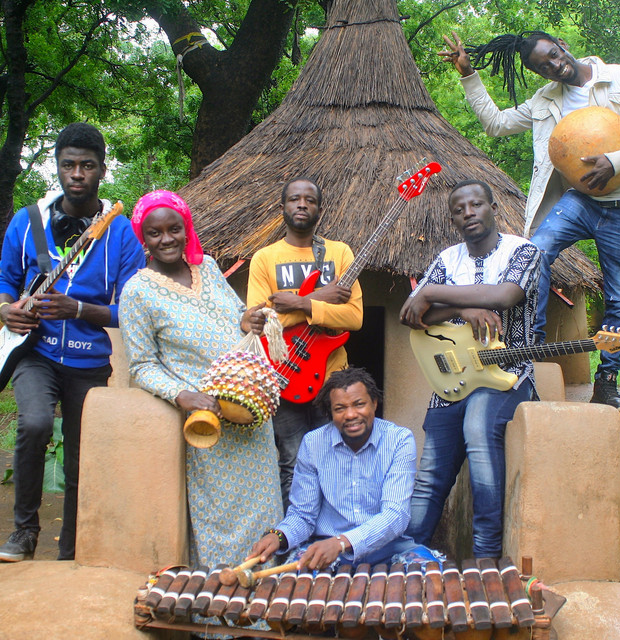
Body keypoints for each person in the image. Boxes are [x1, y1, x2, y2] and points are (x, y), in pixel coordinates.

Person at [439, 30, 620, 413]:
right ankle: (529, 350)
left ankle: (607, 382)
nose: (553, 66)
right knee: (535, 254)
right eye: (542, 67)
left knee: (618, 297)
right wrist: (468, 74)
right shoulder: (545, 101)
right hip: (578, 201)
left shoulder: (619, 78)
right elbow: (496, 123)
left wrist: (616, 162)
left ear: (562, 45)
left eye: (552, 55)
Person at [0, 123, 146, 562]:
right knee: (34, 424)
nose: (77, 174)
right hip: (36, 353)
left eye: (87, 165)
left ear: (102, 170)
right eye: (68, 165)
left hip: (89, 361)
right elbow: (5, 281)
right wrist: (5, 310)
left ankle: (72, 547)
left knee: (83, 455)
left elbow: (132, 311)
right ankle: (24, 532)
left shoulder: (121, 234)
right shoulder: (28, 222)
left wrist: (78, 309)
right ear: (58, 168)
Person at [118, 190, 283, 575]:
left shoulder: (206, 266)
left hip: (250, 413)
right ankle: (221, 605)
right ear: (143, 237)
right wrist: (183, 395)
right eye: (155, 233)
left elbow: (235, 315)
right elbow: (142, 366)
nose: (166, 239)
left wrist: (247, 320)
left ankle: (265, 597)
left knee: (264, 507)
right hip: (209, 425)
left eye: (174, 229)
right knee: (218, 514)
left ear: (186, 228)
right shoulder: (137, 292)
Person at [400, 180, 541, 559]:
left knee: (479, 429)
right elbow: (411, 313)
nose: (469, 213)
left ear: (493, 208)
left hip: (507, 375)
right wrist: (462, 309)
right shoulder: (448, 259)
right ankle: (406, 557)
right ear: (453, 219)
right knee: (429, 475)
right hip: (451, 379)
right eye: (460, 209)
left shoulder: (523, 251)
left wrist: (432, 293)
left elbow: (505, 295)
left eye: (476, 204)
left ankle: (485, 558)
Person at [247, 177, 363, 512]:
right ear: (282, 207)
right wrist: (321, 298)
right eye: (295, 199)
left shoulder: (340, 253)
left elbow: (354, 318)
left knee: (337, 461)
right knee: (293, 463)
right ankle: (295, 536)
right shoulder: (264, 258)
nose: (302, 204)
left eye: (310, 200)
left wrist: (298, 303)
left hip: (332, 379)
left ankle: (335, 535)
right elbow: (261, 321)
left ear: (320, 209)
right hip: (284, 374)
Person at [249, 367, 440, 569]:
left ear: (374, 403)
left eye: (359, 404)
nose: (350, 414)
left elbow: (395, 515)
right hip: (325, 550)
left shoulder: (399, 440)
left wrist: (342, 542)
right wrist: (278, 536)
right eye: (340, 408)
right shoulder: (313, 444)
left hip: (388, 548)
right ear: (330, 413)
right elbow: (303, 515)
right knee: (293, 583)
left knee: (431, 576)